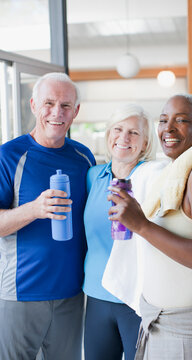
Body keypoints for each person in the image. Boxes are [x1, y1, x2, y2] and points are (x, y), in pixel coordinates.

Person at [83, 103, 192, 360]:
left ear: (145, 143)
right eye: (118, 129)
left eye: (134, 133)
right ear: (108, 135)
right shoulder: (92, 176)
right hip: (96, 294)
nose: (123, 138)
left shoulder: (161, 176)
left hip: (139, 297)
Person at [0, 72, 95, 360]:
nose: (57, 112)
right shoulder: (9, 156)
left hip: (72, 291)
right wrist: (34, 209)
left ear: (76, 112)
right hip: (21, 290)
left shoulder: (84, 157)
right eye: (49, 103)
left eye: (66, 105)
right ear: (33, 105)